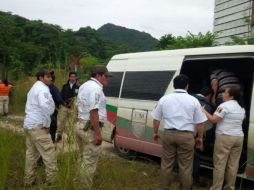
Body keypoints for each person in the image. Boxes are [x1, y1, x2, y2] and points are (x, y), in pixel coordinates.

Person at [152, 74, 207, 190]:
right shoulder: (194, 101)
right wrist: (200, 138)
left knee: (166, 164)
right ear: (187, 86)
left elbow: (156, 119)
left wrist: (155, 133)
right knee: (186, 167)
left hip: (169, 135)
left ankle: (164, 187)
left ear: (173, 85)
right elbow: (200, 123)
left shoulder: (164, 99)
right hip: (186, 136)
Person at [75, 65, 111, 189]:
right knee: (89, 161)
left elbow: (78, 105)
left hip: (80, 124)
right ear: (98, 75)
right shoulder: (96, 89)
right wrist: (98, 133)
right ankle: (83, 187)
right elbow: (93, 112)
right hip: (89, 128)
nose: (108, 79)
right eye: (106, 76)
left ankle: (77, 183)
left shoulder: (84, 86)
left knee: (83, 158)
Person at [203, 87, 245, 190]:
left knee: (219, 163)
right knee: (233, 164)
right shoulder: (241, 107)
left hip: (225, 136)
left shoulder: (224, 106)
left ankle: (216, 187)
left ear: (231, 96)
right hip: (239, 137)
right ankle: (230, 187)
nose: (222, 94)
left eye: (225, 92)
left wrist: (203, 110)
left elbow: (214, 120)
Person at [23, 70, 56, 187]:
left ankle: (28, 181)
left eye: (51, 77)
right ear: (40, 77)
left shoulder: (34, 88)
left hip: (29, 124)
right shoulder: (42, 89)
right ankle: (52, 182)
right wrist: (47, 124)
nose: (50, 78)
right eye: (48, 77)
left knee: (31, 154)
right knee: (49, 154)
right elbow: (45, 107)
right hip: (38, 125)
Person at [193, 86, 214, 184]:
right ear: (209, 95)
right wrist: (204, 140)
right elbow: (207, 125)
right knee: (196, 157)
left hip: (184, 132)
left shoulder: (190, 99)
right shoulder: (207, 105)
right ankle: (195, 178)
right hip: (197, 134)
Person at [57, 71, 79, 141]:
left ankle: (70, 137)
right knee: (61, 122)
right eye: (71, 76)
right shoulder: (65, 86)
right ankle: (59, 135)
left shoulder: (78, 87)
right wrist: (62, 103)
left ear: (76, 78)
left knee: (72, 123)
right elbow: (61, 95)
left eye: (74, 77)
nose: (72, 78)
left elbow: (79, 98)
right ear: (69, 77)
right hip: (64, 107)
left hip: (73, 108)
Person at [49, 71, 65, 143]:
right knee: (52, 129)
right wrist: (63, 103)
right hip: (52, 112)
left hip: (43, 113)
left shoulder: (43, 87)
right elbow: (59, 99)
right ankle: (52, 143)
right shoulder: (54, 88)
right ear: (54, 80)